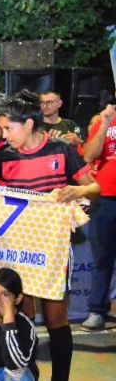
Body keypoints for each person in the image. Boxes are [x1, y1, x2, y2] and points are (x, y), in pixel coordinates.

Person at [0, 89, 100, 381]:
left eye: (8, 128)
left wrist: (79, 190)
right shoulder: (4, 157)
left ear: (28, 124)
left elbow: (93, 187)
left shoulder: (62, 149)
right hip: (19, 251)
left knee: (56, 322)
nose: (3, 135)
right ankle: (27, 380)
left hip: (53, 251)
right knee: (24, 319)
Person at [81, 100, 116, 330]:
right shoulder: (107, 117)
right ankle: (97, 311)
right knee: (102, 258)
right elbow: (88, 156)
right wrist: (104, 124)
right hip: (105, 198)